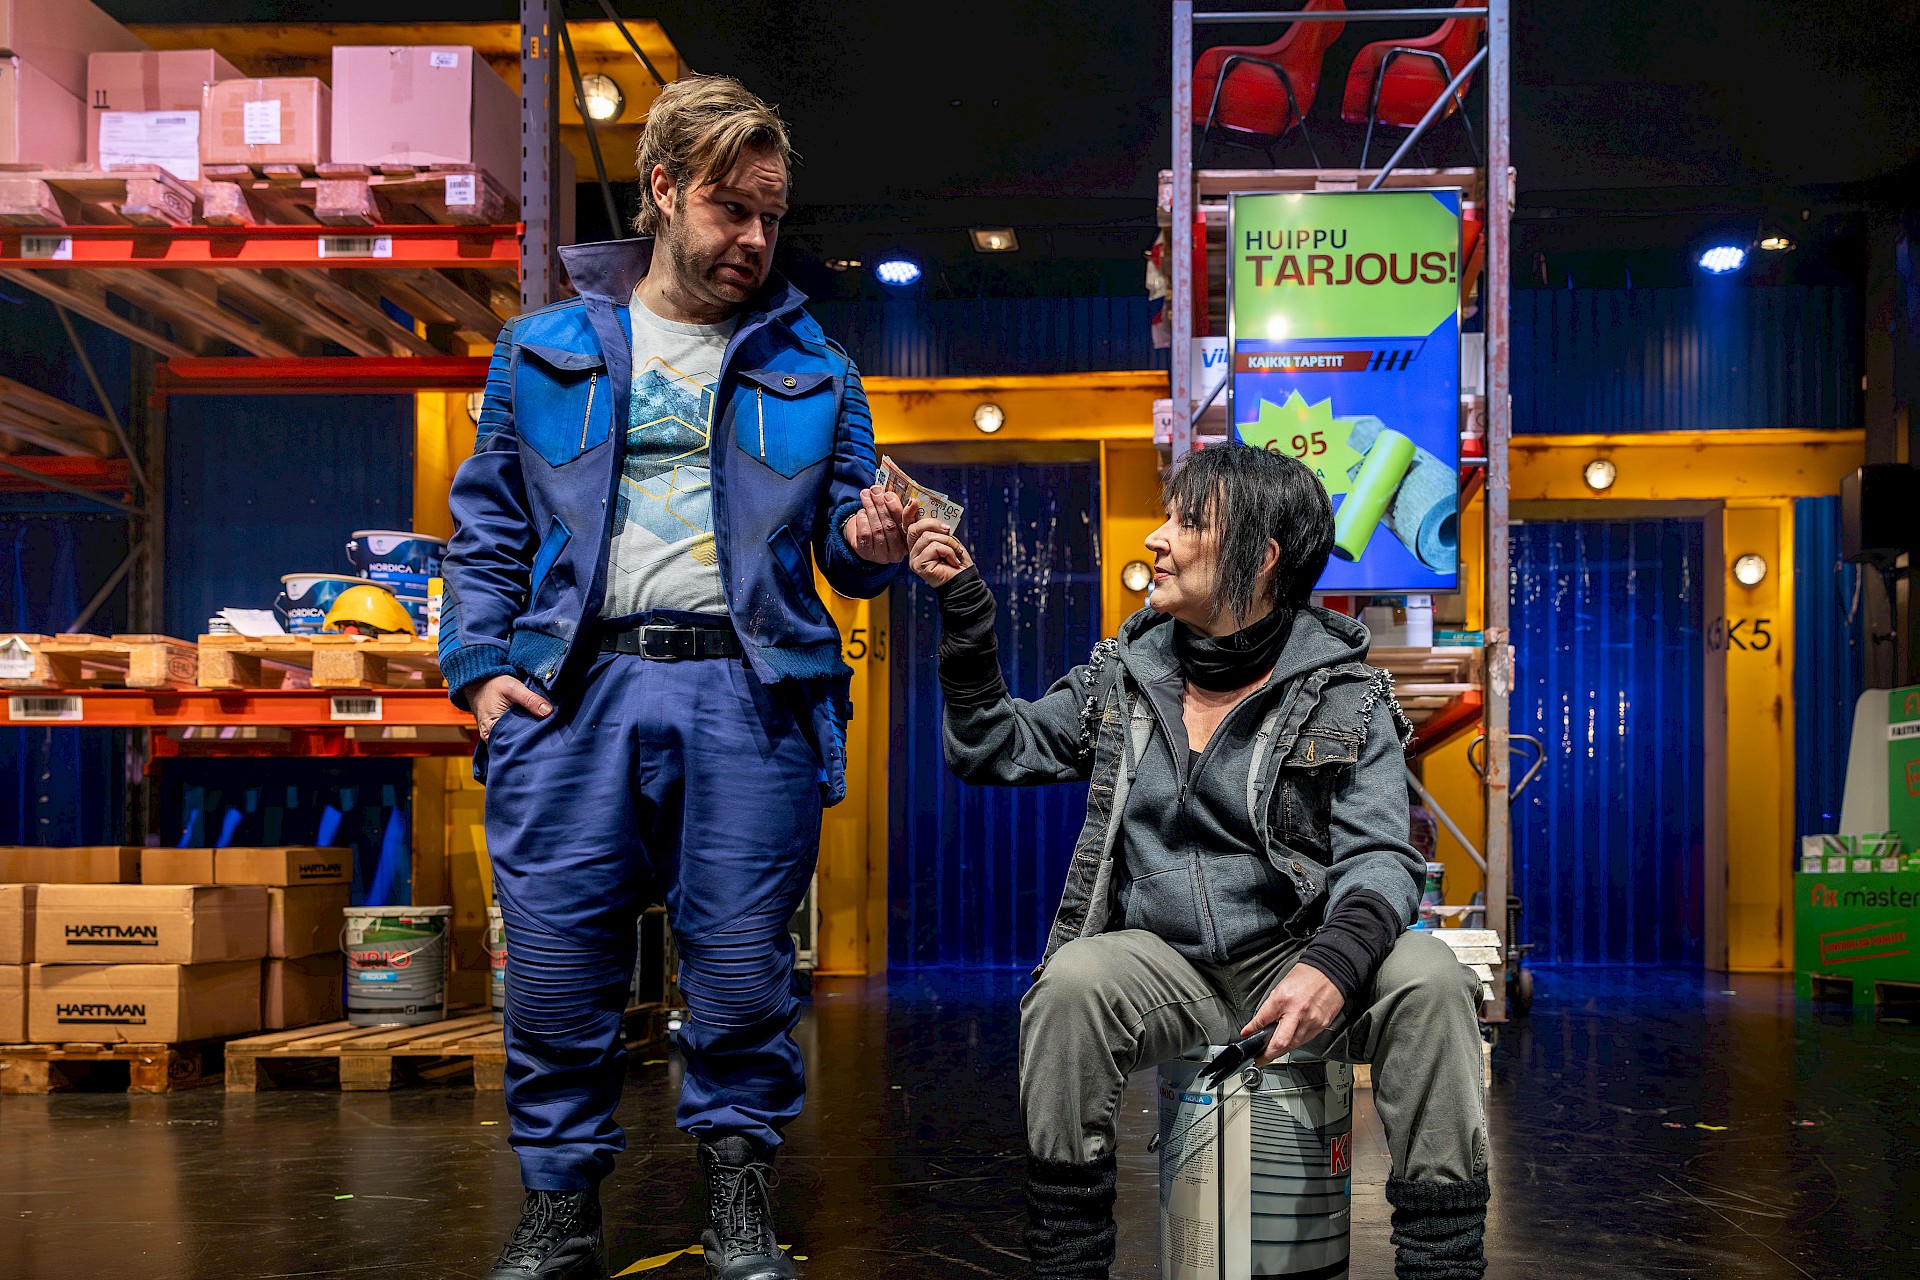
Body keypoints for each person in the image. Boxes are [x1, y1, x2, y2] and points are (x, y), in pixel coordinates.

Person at [441, 75, 910, 1280]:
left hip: (747, 695)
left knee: (745, 969)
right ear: (662, 189)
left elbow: (846, 551)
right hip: (573, 691)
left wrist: (869, 541)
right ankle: (561, 1205)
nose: (754, 236)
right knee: (555, 969)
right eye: (730, 208)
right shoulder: (541, 351)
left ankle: (739, 1199)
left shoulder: (819, 366)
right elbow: (487, 530)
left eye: (771, 215)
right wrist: (479, 672)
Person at [906, 445, 1491, 1279]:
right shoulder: (1124, 676)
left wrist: (1332, 965)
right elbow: (993, 748)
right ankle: (1069, 1268)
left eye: (1187, 522)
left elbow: (1382, 862)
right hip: (1168, 966)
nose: (1157, 537)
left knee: (1430, 977)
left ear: (1262, 557)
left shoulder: (1347, 695)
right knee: (1071, 985)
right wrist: (965, 612)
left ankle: (1442, 1266)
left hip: (1300, 955)